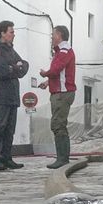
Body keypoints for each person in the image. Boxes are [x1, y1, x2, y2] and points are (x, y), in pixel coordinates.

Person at [0, 20, 28, 172]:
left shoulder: (11, 50)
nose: (13, 34)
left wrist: (15, 67)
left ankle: (7, 157)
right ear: (3, 33)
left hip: (12, 96)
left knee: (10, 128)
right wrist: (14, 67)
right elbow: (2, 70)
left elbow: (24, 65)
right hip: (1, 95)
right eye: (11, 31)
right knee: (0, 126)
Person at [39, 25, 77, 169]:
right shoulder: (62, 51)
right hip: (60, 92)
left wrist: (45, 73)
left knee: (58, 124)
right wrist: (48, 82)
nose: (51, 37)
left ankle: (62, 159)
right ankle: (62, 157)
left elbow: (56, 70)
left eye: (53, 34)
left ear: (59, 35)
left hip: (62, 94)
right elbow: (61, 74)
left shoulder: (63, 51)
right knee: (59, 124)